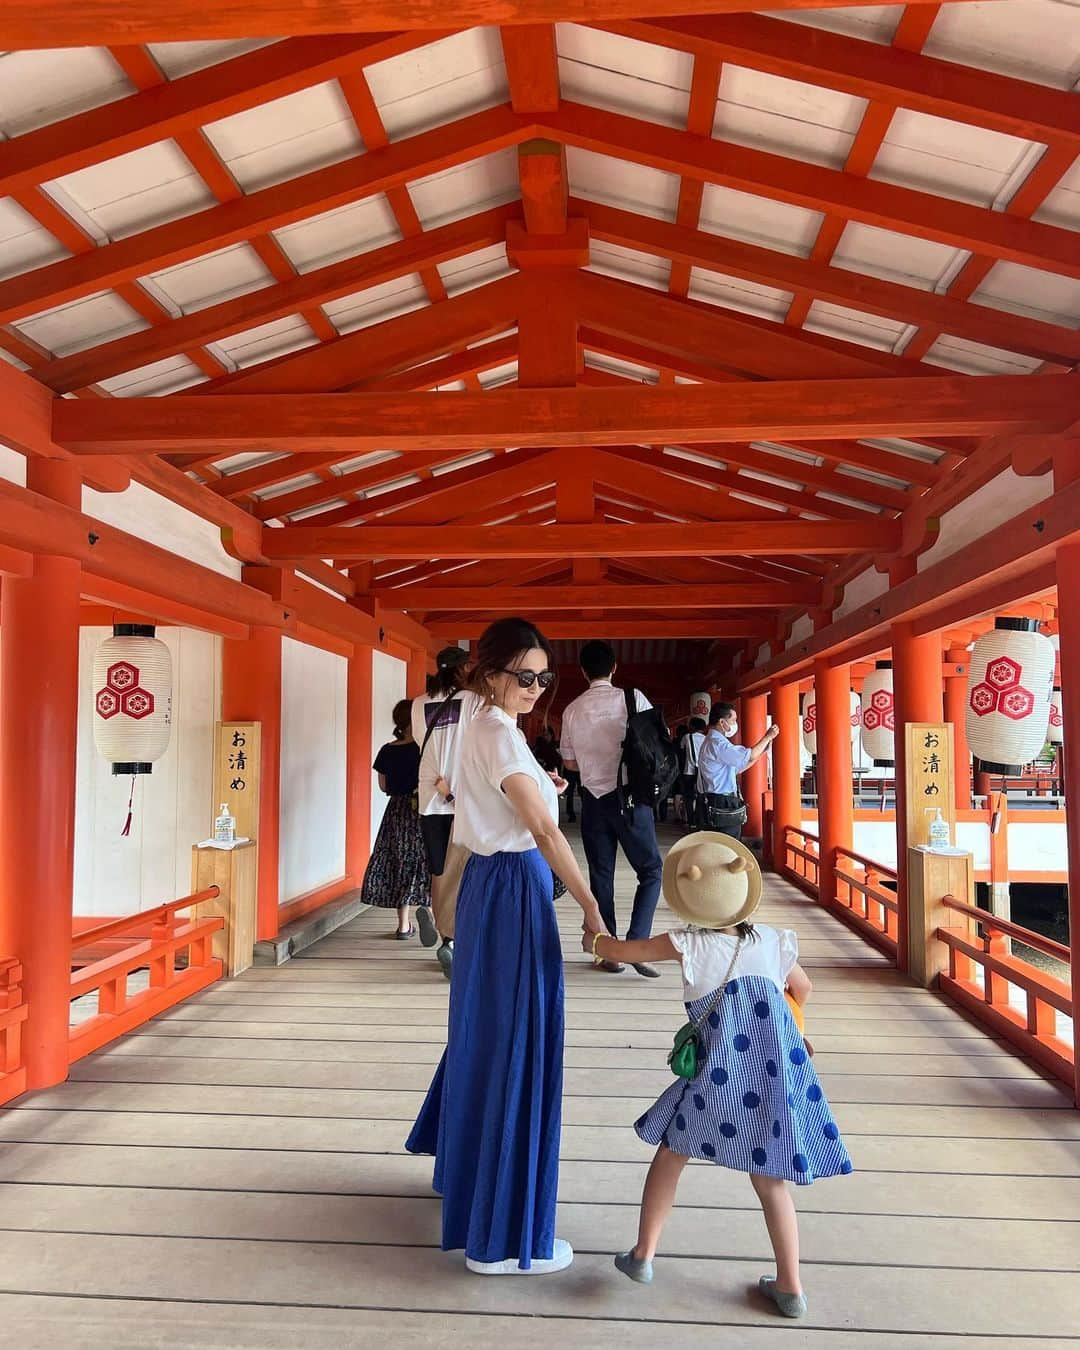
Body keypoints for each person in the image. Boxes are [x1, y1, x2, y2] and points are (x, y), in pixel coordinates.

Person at [582, 831, 851, 1318]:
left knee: (671, 1154)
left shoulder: (686, 944)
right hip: (774, 1075)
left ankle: (643, 1254)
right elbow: (803, 988)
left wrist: (595, 939)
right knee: (771, 1181)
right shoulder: (773, 940)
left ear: (689, 901)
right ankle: (790, 1286)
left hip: (716, 1080)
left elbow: (623, 953)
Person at [406, 617, 604, 1276]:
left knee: (486, 1034)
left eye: (544, 677)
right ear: (491, 673)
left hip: (490, 886)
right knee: (520, 1038)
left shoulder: (467, 719)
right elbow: (546, 833)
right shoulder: (497, 735)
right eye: (525, 676)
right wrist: (593, 905)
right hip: (515, 886)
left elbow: (479, 802)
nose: (537, 687)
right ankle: (502, 1238)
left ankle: (470, 1188)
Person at [559, 640, 663, 978]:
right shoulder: (633, 699)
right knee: (650, 870)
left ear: (583, 671)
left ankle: (610, 953)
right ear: (614, 667)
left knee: (600, 876)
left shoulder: (572, 709)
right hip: (631, 799)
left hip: (593, 799)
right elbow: (654, 746)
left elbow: (570, 764)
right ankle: (637, 944)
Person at [412, 646, 483, 979]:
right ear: (463, 668)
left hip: (429, 796)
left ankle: (445, 935)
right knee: (467, 871)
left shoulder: (418, 703)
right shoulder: (472, 700)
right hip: (462, 797)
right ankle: (456, 940)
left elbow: (418, 741)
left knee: (439, 868)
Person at [360, 700, 431, 937]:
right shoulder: (424, 748)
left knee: (397, 859)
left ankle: (403, 925)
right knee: (424, 857)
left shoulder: (387, 750)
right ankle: (428, 909)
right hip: (420, 808)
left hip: (396, 811)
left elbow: (383, 786)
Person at [697, 701, 779, 838]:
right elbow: (749, 755)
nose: (735, 724)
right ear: (722, 722)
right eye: (733, 720)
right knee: (728, 845)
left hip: (715, 800)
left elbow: (738, 767)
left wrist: (760, 753)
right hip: (723, 802)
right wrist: (768, 736)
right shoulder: (718, 744)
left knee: (720, 844)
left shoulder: (711, 741)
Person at [678, 716, 707, 829]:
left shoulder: (687, 737)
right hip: (702, 772)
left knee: (688, 798)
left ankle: (691, 822)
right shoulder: (706, 738)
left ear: (693, 726)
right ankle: (700, 821)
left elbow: (681, 750)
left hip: (688, 771)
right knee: (701, 796)